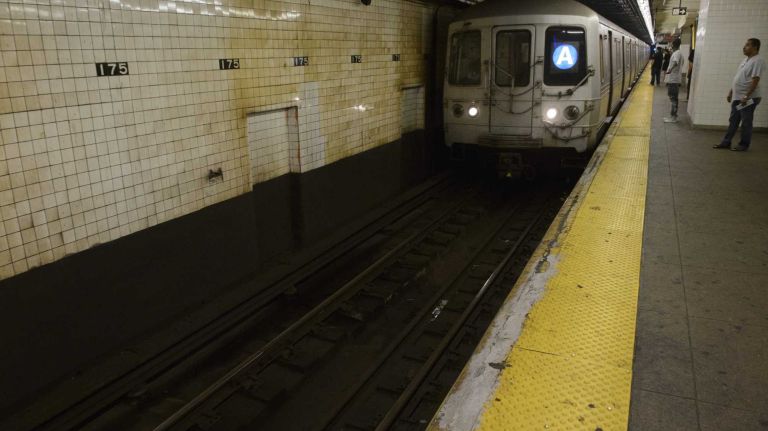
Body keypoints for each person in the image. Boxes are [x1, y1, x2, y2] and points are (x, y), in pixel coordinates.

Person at [714, 38, 764, 151]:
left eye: (747, 45)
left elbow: (755, 80)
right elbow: (738, 77)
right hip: (738, 97)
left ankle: (744, 144)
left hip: (748, 98)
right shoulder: (745, 60)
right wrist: (731, 92)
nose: (744, 47)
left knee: (746, 121)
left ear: (755, 47)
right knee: (733, 120)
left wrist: (747, 96)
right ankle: (726, 142)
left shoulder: (758, 60)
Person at [664, 39, 683, 123]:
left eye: (671, 44)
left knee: (673, 98)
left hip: (673, 80)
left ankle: (673, 117)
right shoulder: (679, 53)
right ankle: (673, 116)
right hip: (674, 79)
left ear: (673, 45)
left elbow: (675, 62)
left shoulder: (676, 53)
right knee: (674, 98)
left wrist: (670, 70)